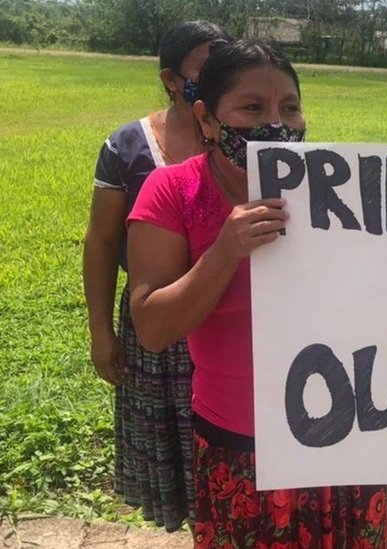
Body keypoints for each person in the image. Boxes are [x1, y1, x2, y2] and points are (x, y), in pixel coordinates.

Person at [125, 40, 387, 548]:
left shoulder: (342, 188)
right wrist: (224, 252)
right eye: (253, 108)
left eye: (289, 107)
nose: (278, 123)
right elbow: (153, 328)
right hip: (240, 443)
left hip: (348, 433)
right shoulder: (171, 193)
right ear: (207, 119)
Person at [83, 20, 231, 532]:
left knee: (229, 452)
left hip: (230, 317)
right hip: (159, 327)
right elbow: (102, 242)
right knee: (178, 450)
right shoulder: (127, 147)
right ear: (172, 80)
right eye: (205, 68)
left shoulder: (245, 142)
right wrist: (101, 332)